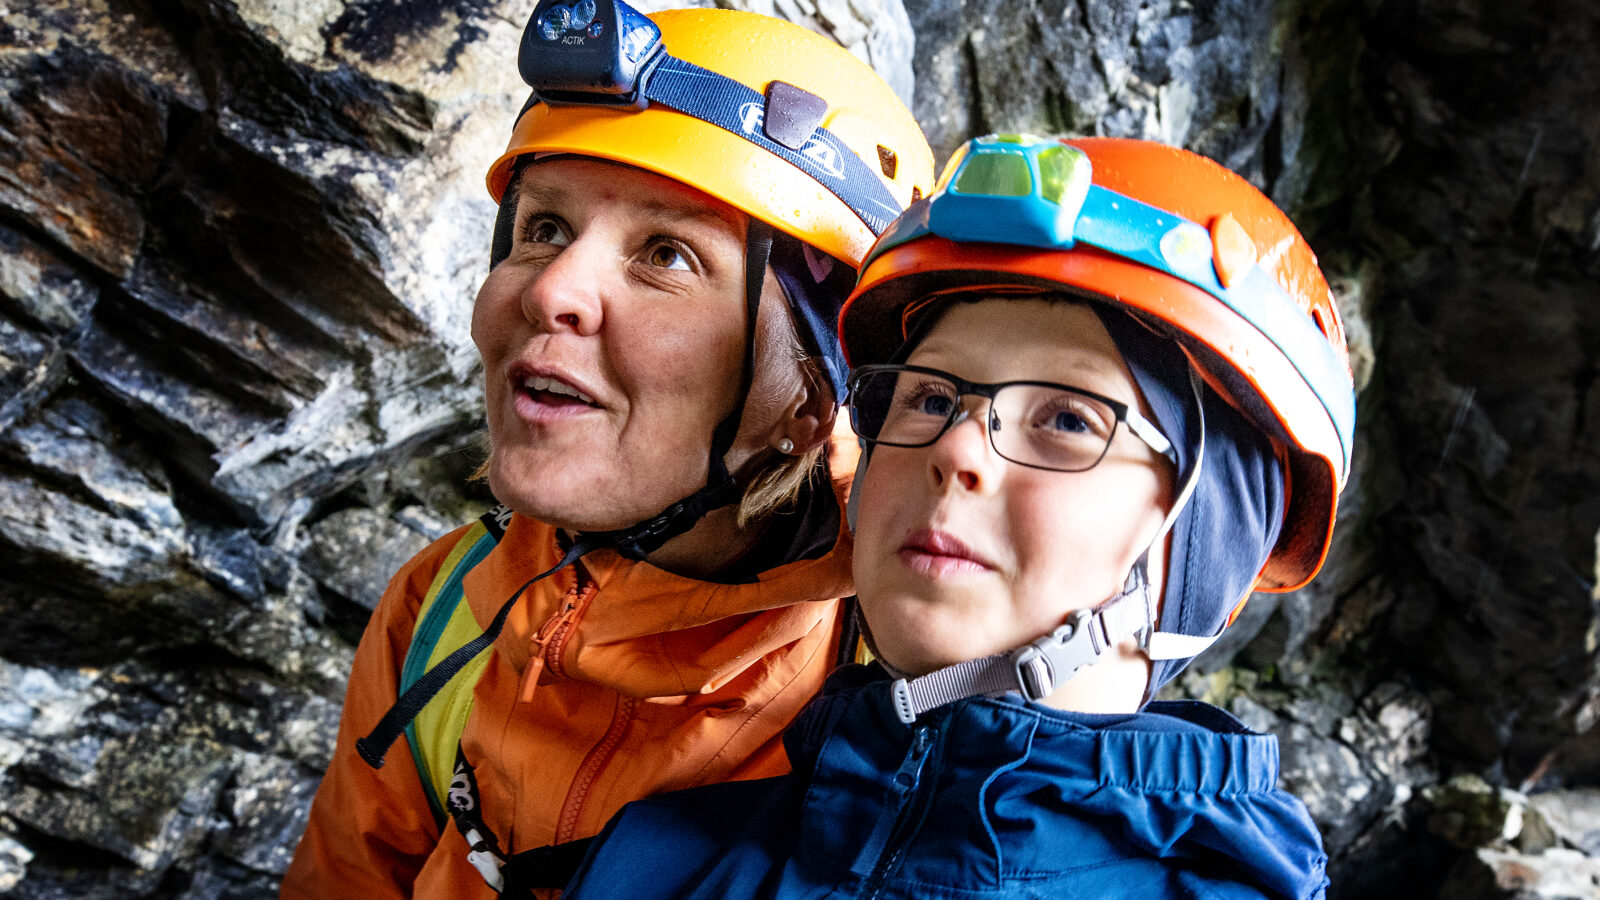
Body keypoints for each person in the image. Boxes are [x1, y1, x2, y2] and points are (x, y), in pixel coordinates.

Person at [559, 134, 1355, 899]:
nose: (957, 449)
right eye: (930, 398)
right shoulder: (650, 860)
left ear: (1204, 546)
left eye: (1069, 420)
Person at [281, 1, 932, 896]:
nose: (552, 290)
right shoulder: (443, 612)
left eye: (667, 254)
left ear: (817, 398)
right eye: (544, 228)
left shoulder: (911, 711)